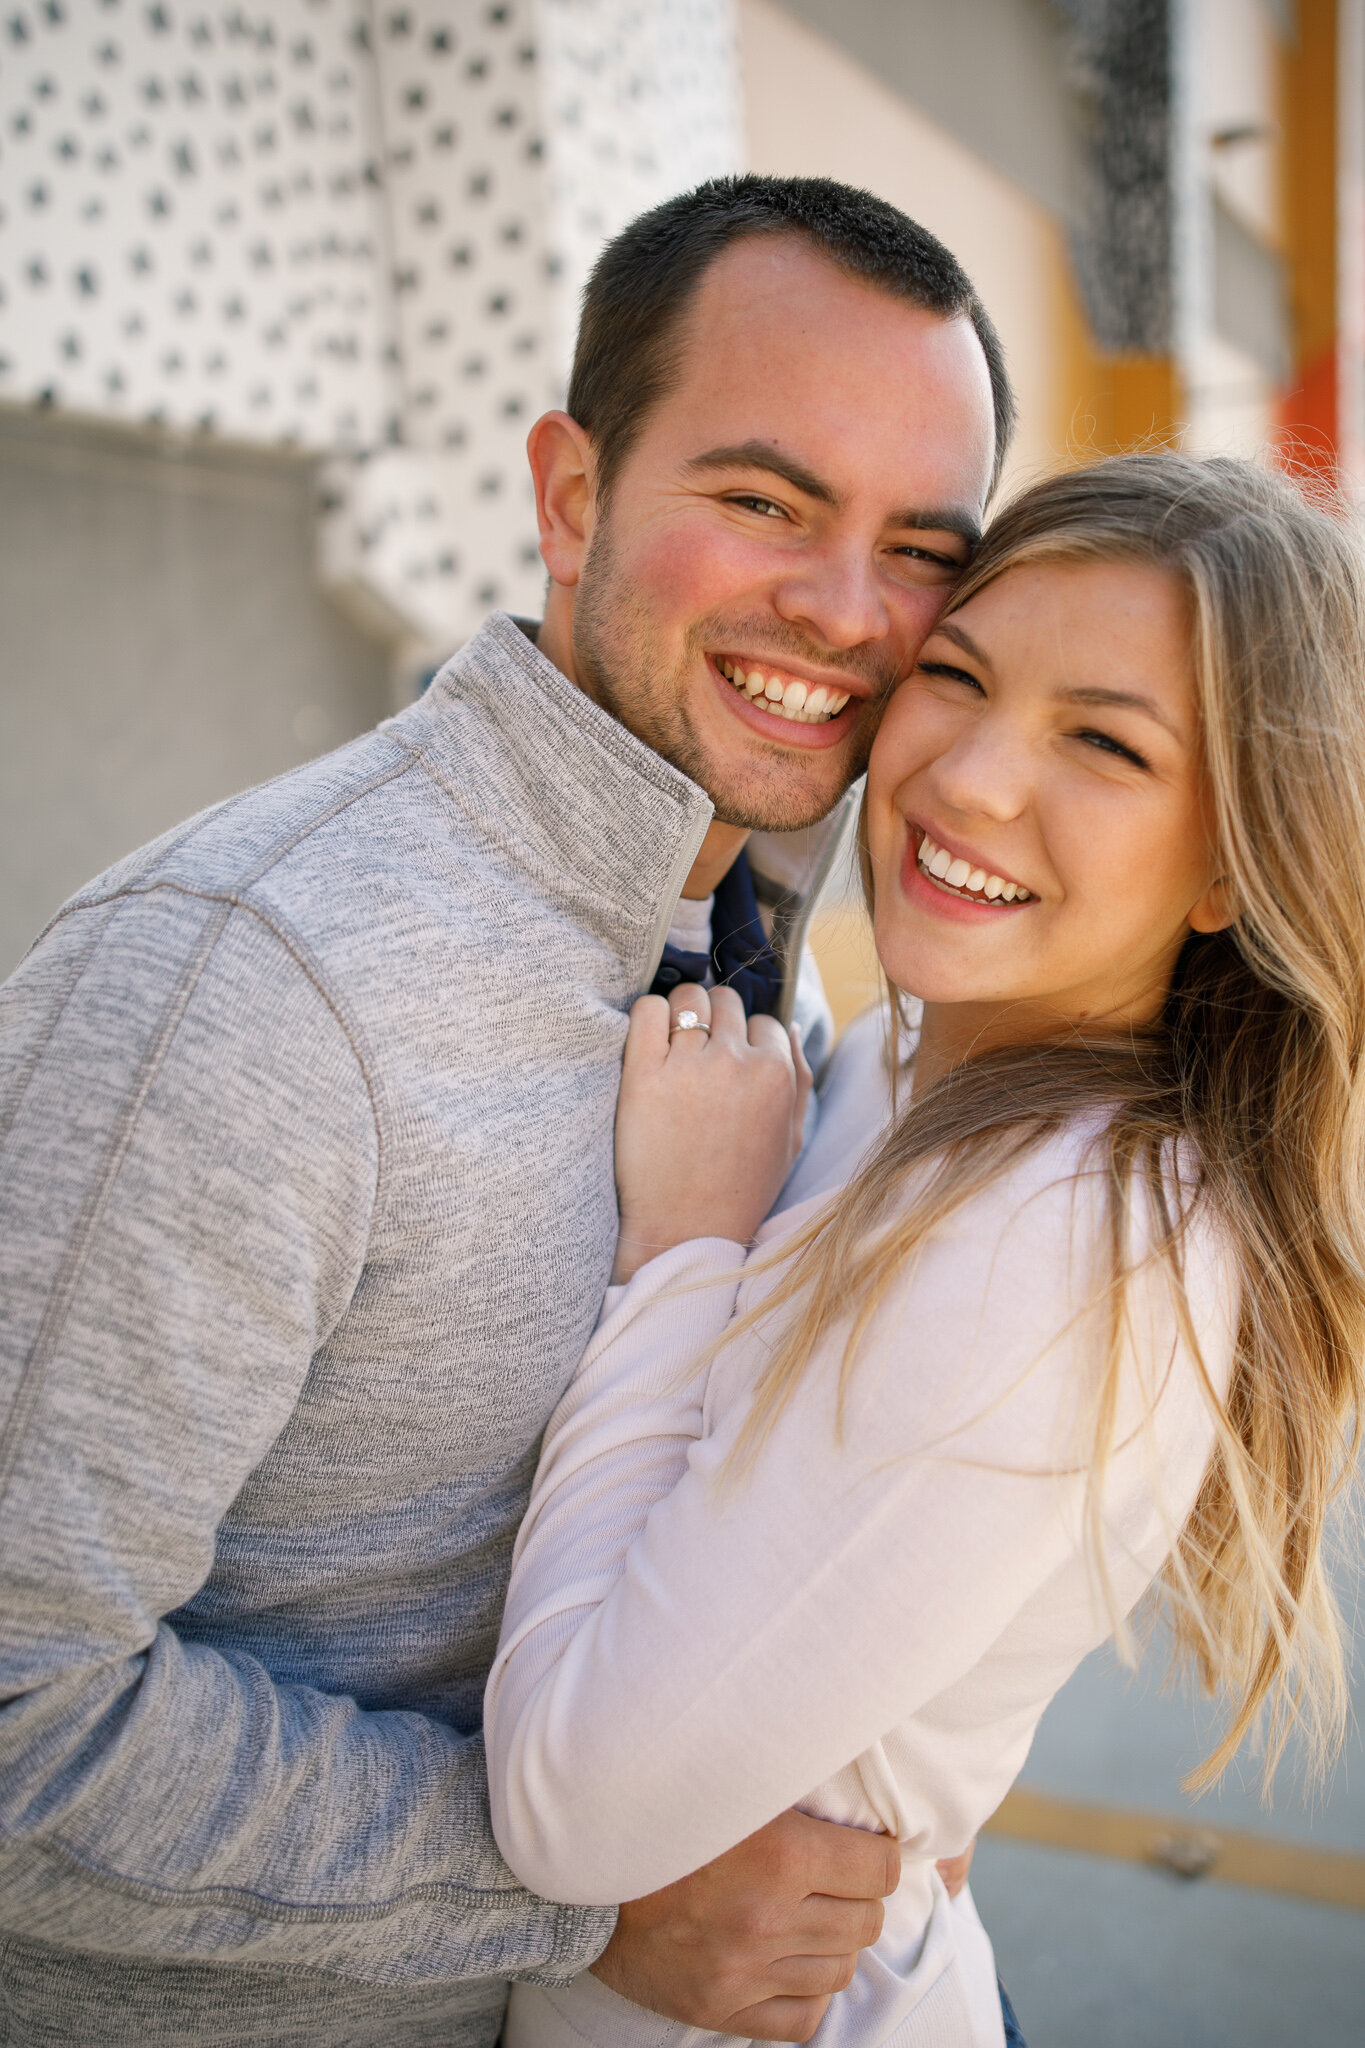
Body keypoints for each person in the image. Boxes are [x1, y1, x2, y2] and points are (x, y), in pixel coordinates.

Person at [0, 178, 1007, 2045]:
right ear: (569, 493)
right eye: (763, 501)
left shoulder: (745, 936)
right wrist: (580, 1896)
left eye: (921, 547)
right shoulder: (249, 980)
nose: (848, 612)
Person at [485, 453, 1365, 2048]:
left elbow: (569, 1812)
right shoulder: (920, 1063)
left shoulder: (1064, 1246)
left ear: (1235, 864)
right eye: (954, 674)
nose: (965, 779)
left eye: (1103, 742)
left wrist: (686, 1249)